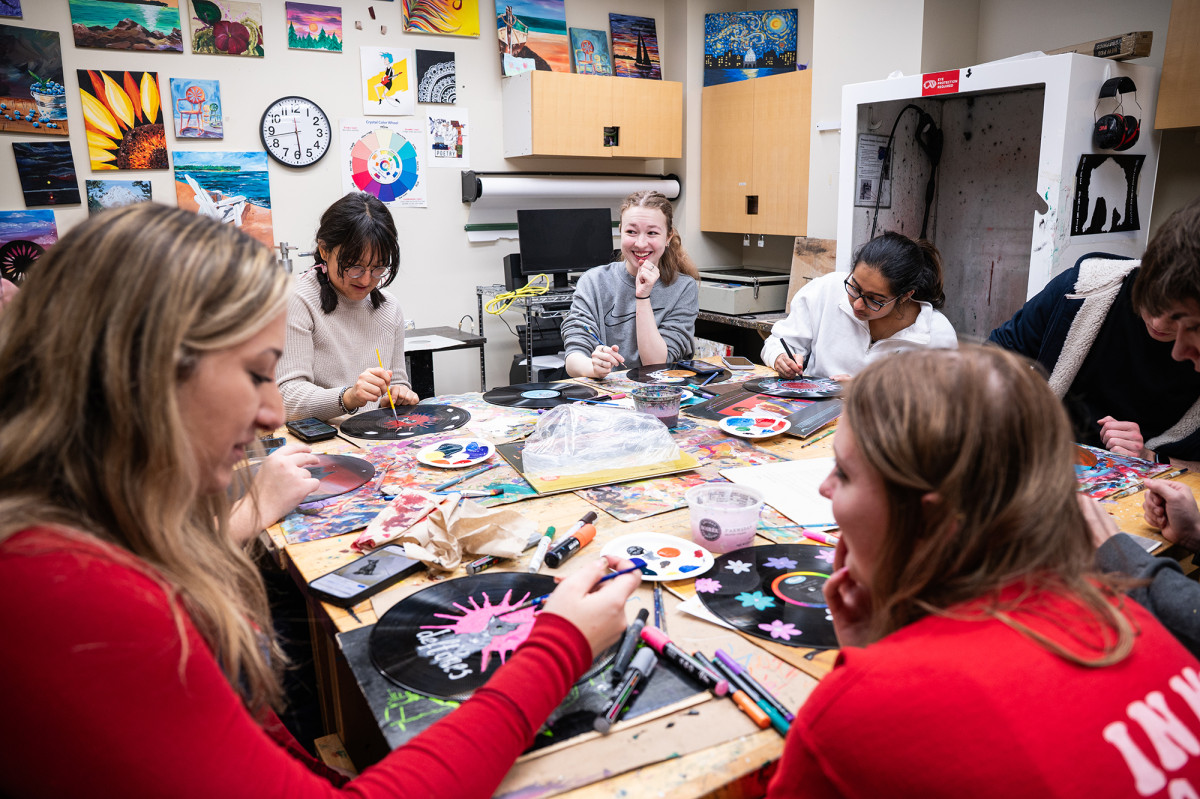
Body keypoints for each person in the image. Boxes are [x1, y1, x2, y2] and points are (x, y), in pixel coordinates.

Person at [0, 204, 641, 798]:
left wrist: (243, 517)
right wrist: (558, 645)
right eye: (255, 373)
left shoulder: (75, 540)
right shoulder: (68, 596)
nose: (272, 409)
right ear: (136, 377)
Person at [769, 345, 1200, 797]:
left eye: (844, 471)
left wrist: (864, 677)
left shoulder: (858, 713)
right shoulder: (1130, 616)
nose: (824, 486)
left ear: (927, 521)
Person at [988, 198, 1200, 464]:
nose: (1158, 324)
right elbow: (993, 357)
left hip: (1141, 491)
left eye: (1183, 322)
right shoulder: (1083, 288)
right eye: (1153, 301)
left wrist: (1150, 457)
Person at [277, 192, 419, 422]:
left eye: (378, 268)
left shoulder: (389, 307)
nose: (365, 280)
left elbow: (398, 381)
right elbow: (287, 398)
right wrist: (348, 398)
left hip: (377, 435)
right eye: (354, 267)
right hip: (324, 444)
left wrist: (399, 393)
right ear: (324, 250)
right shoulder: (297, 300)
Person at [760, 231, 957, 380]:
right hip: (812, 414)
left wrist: (867, 394)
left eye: (874, 299)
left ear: (905, 296)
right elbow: (778, 341)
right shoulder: (826, 289)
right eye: (854, 287)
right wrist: (779, 357)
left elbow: (937, 407)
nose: (858, 304)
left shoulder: (936, 334)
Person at [561, 190, 700, 379]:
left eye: (652, 233)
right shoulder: (593, 281)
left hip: (659, 394)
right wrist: (593, 367)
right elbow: (573, 356)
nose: (641, 243)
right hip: (605, 396)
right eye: (631, 232)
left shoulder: (683, 288)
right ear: (620, 231)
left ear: (668, 237)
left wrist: (643, 296)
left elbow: (655, 364)